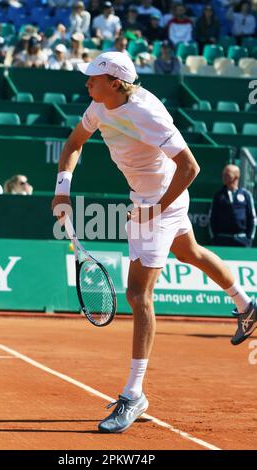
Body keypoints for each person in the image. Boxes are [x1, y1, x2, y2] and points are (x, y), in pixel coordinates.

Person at [52, 51, 257, 434]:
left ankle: (133, 393)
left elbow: (191, 167)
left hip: (161, 201)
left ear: (116, 82)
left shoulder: (148, 113)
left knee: (137, 295)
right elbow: (73, 144)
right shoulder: (99, 107)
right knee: (189, 252)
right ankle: (246, 305)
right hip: (154, 199)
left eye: (93, 78)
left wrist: (154, 211)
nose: (86, 84)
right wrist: (62, 189)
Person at [210, 164, 256, 247]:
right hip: (222, 240)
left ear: (236, 176)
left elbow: (252, 218)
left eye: (227, 175)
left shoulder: (246, 195)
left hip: (242, 240)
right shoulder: (218, 195)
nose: (223, 177)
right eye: (223, 174)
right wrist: (214, 238)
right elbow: (212, 218)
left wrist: (249, 238)